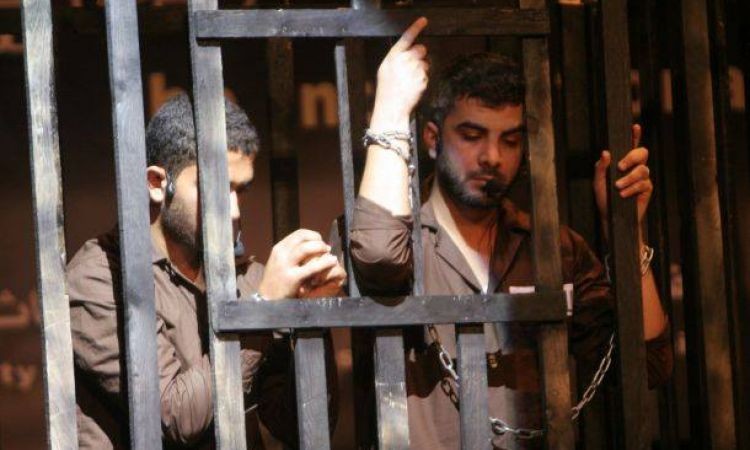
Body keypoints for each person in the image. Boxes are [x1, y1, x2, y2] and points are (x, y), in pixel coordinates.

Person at [350, 18, 672, 449]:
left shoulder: (554, 248)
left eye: (510, 140)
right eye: (472, 135)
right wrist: (390, 110)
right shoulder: (399, 236)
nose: (492, 156)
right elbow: (379, 256)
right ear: (432, 138)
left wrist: (627, 231)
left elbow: (647, 365)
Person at [67, 93, 345, 449]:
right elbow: (175, 417)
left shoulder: (246, 279)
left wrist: (312, 317)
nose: (234, 210)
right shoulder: (99, 277)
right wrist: (260, 310)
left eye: (240, 190)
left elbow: (295, 425)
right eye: (215, 188)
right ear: (156, 183)